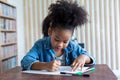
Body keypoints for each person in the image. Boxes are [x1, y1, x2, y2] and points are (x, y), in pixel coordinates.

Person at [21, 0, 95, 72]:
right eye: (56, 39)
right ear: (50, 31)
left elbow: (91, 59)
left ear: (71, 37)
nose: (60, 44)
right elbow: (25, 61)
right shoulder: (40, 45)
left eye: (65, 41)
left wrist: (83, 58)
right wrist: (45, 65)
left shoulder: (72, 46)